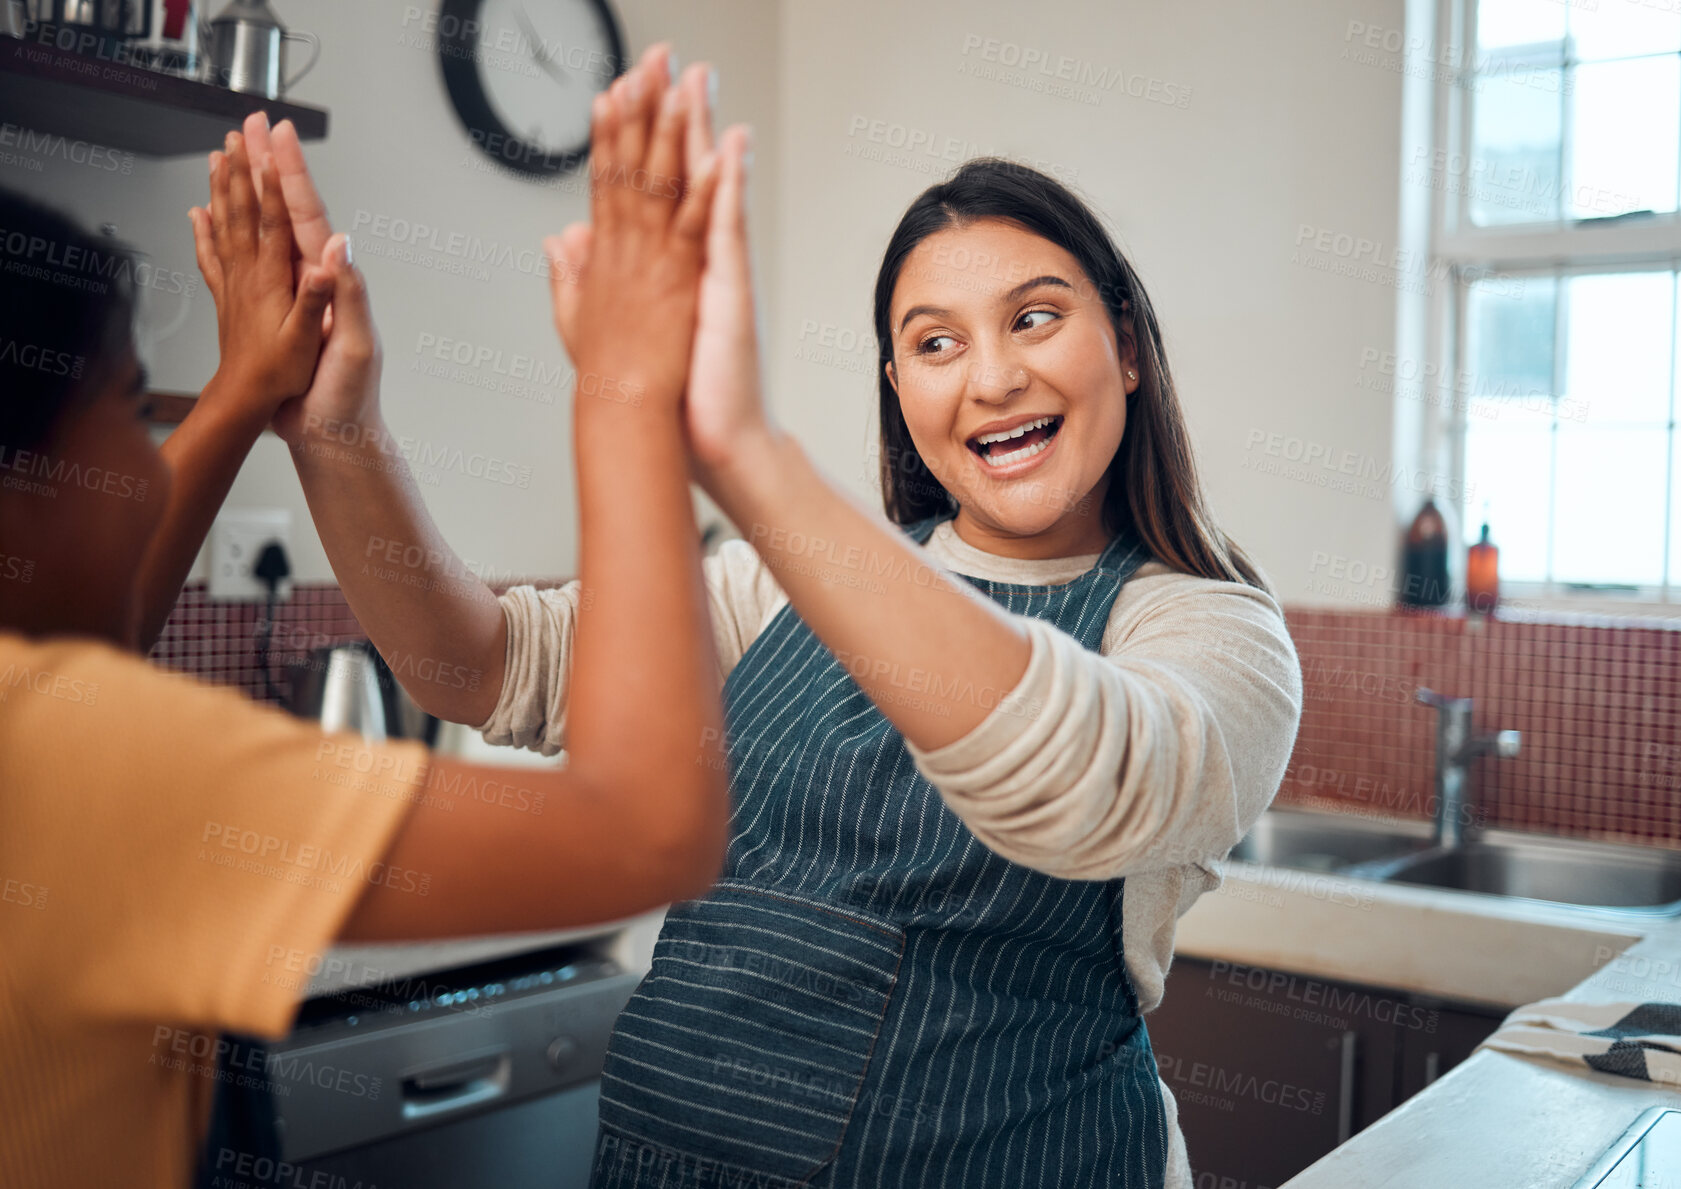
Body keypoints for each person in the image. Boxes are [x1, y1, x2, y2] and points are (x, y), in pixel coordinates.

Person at [257, 60, 1302, 1189]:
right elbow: (486, 667)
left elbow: (1087, 778)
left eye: (1036, 318)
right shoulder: (770, 587)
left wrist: (742, 452)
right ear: (898, 386)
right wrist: (335, 435)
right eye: (937, 343)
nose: (992, 376)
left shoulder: (1212, 634)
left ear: (1129, 347)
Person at [0, 43, 728, 1189]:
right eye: (130, 411)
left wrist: (248, 388)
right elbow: (647, 833)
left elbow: (89, 637)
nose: (148, 473)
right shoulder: (83, 759)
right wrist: (630, 393)